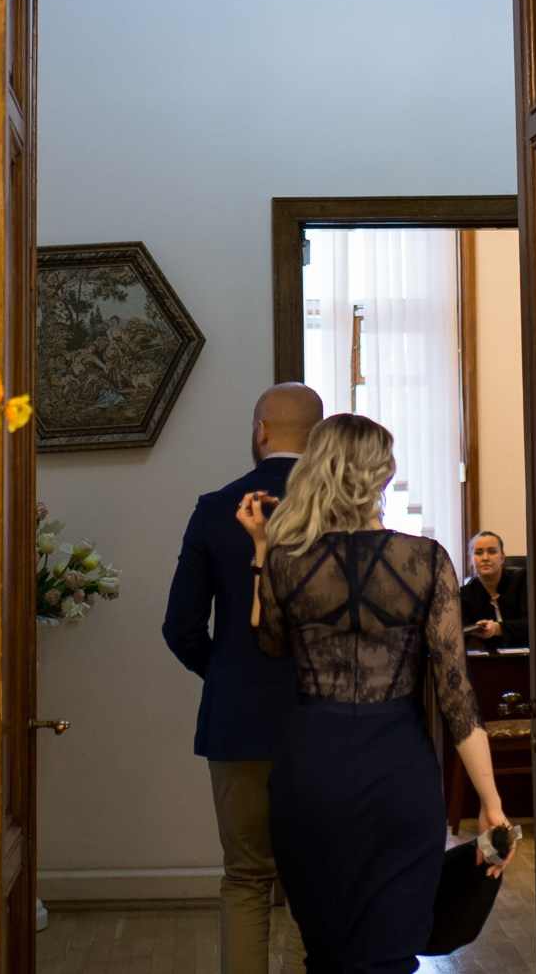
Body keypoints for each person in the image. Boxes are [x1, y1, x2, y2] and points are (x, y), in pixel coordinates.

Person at [238, 413, 510, 974]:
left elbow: (268, 645)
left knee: (329, 951)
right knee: (390, 950)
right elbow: (458, 698)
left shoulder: (288, 561)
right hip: (397, 768)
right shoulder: (427, 561)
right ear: (382, 475)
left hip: (311, 765)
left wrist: (262, 550)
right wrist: (491, 801)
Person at [162, 382, 323, 974]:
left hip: (240, 722)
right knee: (320, 879)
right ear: (321, 433)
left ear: (261, 430)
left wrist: (227, 674)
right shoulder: (340, 511)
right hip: (328, 724)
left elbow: (180, 627)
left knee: (246, 878)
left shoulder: (215, 509)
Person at [457, 530, 529, 652]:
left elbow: (532, 624)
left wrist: (497, 628)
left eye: (492, 552)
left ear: (502, 557)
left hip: (527, 658)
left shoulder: (522, 581)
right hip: (490, 661)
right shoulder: (466, 594)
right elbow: (462, 634)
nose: (485, 558)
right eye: (478, 553)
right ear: (472, 560)